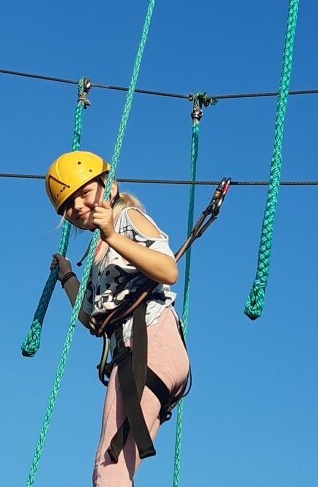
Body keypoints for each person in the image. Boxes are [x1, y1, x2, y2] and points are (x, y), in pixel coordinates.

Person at [46, 151, 190, 487]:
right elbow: (90, 319)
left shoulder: (126, 218)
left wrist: (112, 235)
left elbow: (168, 270)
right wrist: (67, 276)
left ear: (108, 186)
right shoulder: (97, 254)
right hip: (139, 350)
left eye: (84, 193)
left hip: (150, 340)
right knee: (117, 468)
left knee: (107, 470)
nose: (78, 207)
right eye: (68, 204)